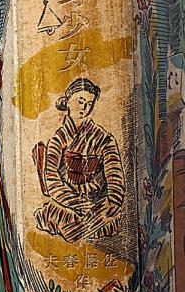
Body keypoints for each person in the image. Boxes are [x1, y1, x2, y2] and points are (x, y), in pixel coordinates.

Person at [34, 78, 125, 242]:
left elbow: (115, 175)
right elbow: (52, 179)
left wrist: (113, 199)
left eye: (89, 104)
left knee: (111, 219)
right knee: (63, 219)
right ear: (68, 101)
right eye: (80, 101)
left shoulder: (103, 138)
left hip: (96, 200)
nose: (84, 108)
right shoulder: (58, 139)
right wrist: (77, 203)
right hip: (66, 201)